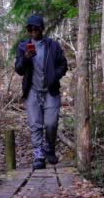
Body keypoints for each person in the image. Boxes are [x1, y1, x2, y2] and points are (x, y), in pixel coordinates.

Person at [14, 15, 68, 169]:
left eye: (36, 28)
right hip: (32, 91)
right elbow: (19, 70)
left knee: (51, 123)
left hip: (50, 90)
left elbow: (63, 65)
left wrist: (54, 76)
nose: (33, 31)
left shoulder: (53, 46)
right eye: (30, 29)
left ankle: (50, 148)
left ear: (42, 29)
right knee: (35, 124)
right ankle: (39, 154)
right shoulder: (24, 46)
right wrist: (25, 58)